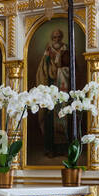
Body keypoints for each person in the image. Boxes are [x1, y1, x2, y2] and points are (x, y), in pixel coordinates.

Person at [34, 28, 67, 156]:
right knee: (49, 120)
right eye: (54, 37)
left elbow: (71, 67)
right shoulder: (48, 51)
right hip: (50, 88)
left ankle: (63, 149)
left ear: (62, 37)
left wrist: (60, 71)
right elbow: (42, 70)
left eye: (59, 37)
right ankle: (50, 148)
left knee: (63, 118)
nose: (57, 39)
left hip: (63, 88)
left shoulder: (66, 49)